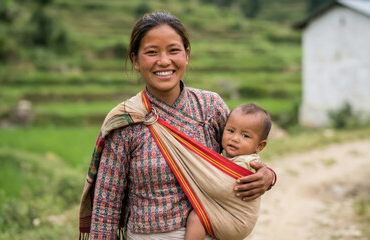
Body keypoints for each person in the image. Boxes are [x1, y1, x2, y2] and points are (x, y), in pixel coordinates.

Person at [79, 11, 276, 240]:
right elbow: (107, 205)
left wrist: (268, 177)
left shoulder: (210, 107)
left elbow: (243, 151)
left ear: (187, 55)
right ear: (135, 60)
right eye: (152, 52)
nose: (164, 61)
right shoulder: (126, 121)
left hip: (213, 232)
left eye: (173, 51)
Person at [185, 103, 272, 240]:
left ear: (259, 146)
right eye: (230, 131)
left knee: (196, 218)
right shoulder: (230, 155)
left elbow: (221, 185)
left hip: (237, 221)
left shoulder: (246, 163)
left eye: (245, 136)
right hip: (230, 216)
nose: (235, 138)